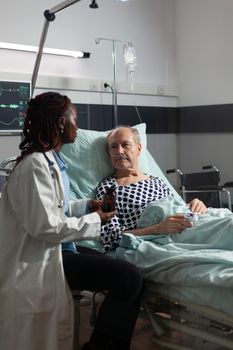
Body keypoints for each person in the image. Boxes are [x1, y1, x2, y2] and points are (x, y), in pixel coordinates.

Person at [0, 93, 144, 350]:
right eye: (74, 119)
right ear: (59, 123)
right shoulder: (35, 165)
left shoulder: (52, 162)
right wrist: (95, 219)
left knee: (133, 274)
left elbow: (56, 208)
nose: (77, 127)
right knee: (129, 277)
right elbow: (47, 226)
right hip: (46, 257)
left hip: (62, 249)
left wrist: (86, 206)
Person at [96, 126, 210, 252]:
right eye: (113, 147)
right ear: (109, 153)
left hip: (187, 226)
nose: (119, 151)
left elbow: (176, 207)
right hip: (160, 241)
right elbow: (111, 237)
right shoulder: (108, 189)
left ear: (138, 149)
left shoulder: (157, 181)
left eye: (125, 145)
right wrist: (159, 229)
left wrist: (194, 206)